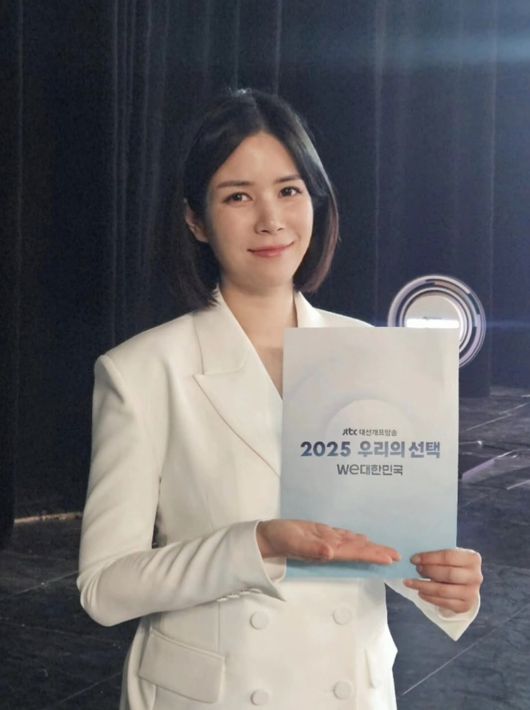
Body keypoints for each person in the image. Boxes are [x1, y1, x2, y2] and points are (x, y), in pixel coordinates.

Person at [77, 89, 482, 710]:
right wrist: (257, 544)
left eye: (289, 190)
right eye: (237, 196)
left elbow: (387, 548)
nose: (271, 219)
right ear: (195, 220)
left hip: (351, 689)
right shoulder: (141, 372)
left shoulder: (377, 355)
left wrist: (447, 586)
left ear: (316, 200)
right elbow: (104, 588)